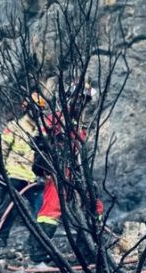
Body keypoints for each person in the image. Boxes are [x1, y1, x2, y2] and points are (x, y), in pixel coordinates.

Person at [28, 82, 101, 263]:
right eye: (78, 98)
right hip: (58, 171)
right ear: (69, 98)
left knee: (94, 206)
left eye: (84, 100)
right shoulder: (56, 118)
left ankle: (87, 253)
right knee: (51, 210)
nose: (80, 103)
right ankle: (37, 256)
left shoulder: (79, 126)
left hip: (76, 173)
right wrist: (51, 143)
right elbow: (38, 139)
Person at [0, 93, 45, 258]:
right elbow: (2, 148)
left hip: (34, 179)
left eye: (40, 109)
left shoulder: (42, 131)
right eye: (34, 108)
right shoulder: (14, 127)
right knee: (8, 210)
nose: (37, 112)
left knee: (39, 211)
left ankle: (36, 245)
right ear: (26, 107)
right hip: (14, 175)